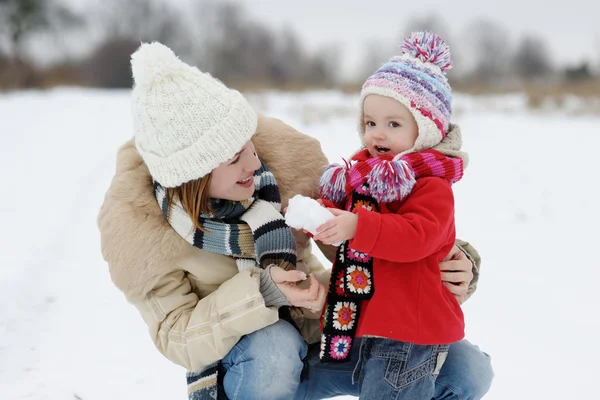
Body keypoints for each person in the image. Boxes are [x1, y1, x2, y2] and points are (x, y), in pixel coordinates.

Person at [97, 41, 491, 400]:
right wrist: (264, 292)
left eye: (249, 146)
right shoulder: (142, 232)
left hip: (317, 336)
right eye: (234, 159)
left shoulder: (283, 173)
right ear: (194, 176)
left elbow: (367, 233)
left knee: (464, 367)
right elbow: (175, 335)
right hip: (245, 366)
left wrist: (451, 260)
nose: (254, 163)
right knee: (274, 348)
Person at [305, 32, 486, 399]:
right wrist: (320, 216)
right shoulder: (366, 178)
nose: (377, 134)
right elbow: (351, 217)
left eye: (393, 124)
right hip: (374, 328)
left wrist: (358, 225)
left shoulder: (431, 187)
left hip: (410, 334)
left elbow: (417, 236)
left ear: (426, 131)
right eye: (370, 123)